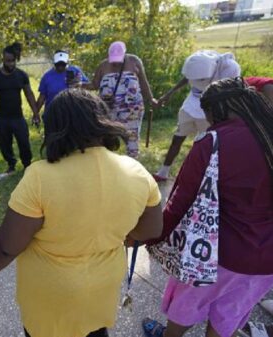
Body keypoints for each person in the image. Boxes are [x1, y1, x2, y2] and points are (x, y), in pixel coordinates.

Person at [0, 89, 164, 337]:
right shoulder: (136, 171)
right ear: (101, 121)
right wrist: (110, 237)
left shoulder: (40, 177)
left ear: (55, 128)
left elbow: (6, 247)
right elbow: (151, 229)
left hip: (51, 297)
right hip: (103, 287)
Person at [142, 77, 273, 337]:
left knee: (186, 307)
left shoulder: (213, 142)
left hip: (214, 254)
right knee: (228, 316)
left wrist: (152, 236)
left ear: (216, 110)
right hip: (266, 261)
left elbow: (180, 202)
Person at [152, 50, 240, 181]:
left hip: (212, 109)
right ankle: (163, 172)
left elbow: (231, 92)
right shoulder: (200, 61)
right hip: (191, 104)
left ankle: (204, 177)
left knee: (206, 144)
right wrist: (170, 93)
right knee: (177, 138)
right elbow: (187, 77)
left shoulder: (230, 68)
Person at [0, 42, 40, 180]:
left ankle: (27, 165)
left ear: (16, 60)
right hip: (1, 118)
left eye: (12, 61)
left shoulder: (21, 76)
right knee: (5, 144)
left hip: (17, 117)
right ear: (3, 60)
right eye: (7, 61)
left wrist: (36, 113)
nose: (10, 64)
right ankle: (11, 165)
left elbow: (29, 94)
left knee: (24, 142)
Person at [91, 41, 158, 158]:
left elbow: (143, 82)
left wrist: (150, 98)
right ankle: (107, 165)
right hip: (109, 110)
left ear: (124, 54)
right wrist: (78, 84)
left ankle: (133, 169)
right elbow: (94, 85)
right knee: (106, 140)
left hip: (132, 110)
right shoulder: (103, 65)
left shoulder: (134, 61)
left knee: (131, 140)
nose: (116, 62)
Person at [37, 50, 89, 120]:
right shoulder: (47, 76)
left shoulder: (76, 71)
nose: (60, 66)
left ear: (67, 63)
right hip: (52, 114)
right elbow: (42, 97)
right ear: (54, 63)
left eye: (63, 64)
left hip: (72, 113)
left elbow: (88, 88)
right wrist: (36, 113)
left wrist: (79, 84)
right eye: (58, 64)